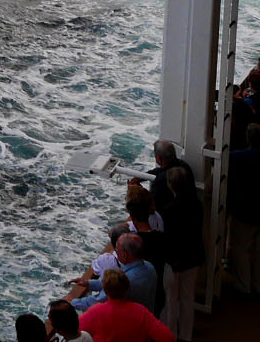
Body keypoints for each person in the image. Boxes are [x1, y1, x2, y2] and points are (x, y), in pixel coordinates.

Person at [159, 164, 203, 342]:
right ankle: (186, 336)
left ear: (170, 185)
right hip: (193, 257)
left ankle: (171, 336)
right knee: (187, 299)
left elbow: (169, 239)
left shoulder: (168, 211)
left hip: (175, 261)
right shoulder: (197, 203)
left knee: (171, 301)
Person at [70, 233, 157, 314]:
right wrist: (89, 283)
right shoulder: (149, 267)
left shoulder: (126, 280)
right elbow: (112, 285)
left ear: (124, 255)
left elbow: (99, 301)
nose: (115, 250)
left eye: (117, 248)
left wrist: (72, 302)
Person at [80, 269, 174, 341]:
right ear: (127, 288)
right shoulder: (140, 311)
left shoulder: (96, 312)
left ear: (105, 290)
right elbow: (168, 338)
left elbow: (73, 329)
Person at [227, 120, 260, 292]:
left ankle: (243, 286)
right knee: (257, 250)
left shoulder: (236, 157)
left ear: (248, 138)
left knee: (241, 249)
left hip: (245, 211)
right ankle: (257, 284)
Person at [148, 142, 193, 217]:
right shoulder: (184, 166)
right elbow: (160, 170)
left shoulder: (161, 181)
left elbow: (151, 205)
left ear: (159, 158)